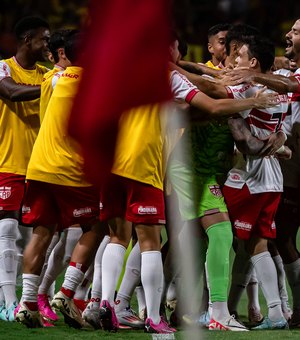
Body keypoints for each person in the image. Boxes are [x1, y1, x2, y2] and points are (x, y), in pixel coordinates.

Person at [15, 32, 106, 329]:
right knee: (96, 226)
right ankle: (66, 293)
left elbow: (46, 115)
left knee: (42, 232)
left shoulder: (52, 80)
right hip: (72, 170)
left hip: (40, 166)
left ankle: (27, 302)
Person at [226, 18, 300, 328]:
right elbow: (282, 129)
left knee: (252, 243)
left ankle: (271, 310)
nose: (233, 61)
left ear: (252, 62)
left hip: (250, 176)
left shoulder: (249, 88)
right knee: (255, 243)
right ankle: (236, 309)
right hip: (274, 178)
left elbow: (247, 142)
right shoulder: (279, 83)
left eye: (238, 55)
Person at [0, 16, 50, 322]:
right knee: (6, 230)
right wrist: (50, 86)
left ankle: (28, 296)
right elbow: (10, 93)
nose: (47, 45)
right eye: (43, 39)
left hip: (41, 166)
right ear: (26, 39)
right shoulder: (4, 66)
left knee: (38, 234)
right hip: (7, 161)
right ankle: (7, 301)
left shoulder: (46, 74)